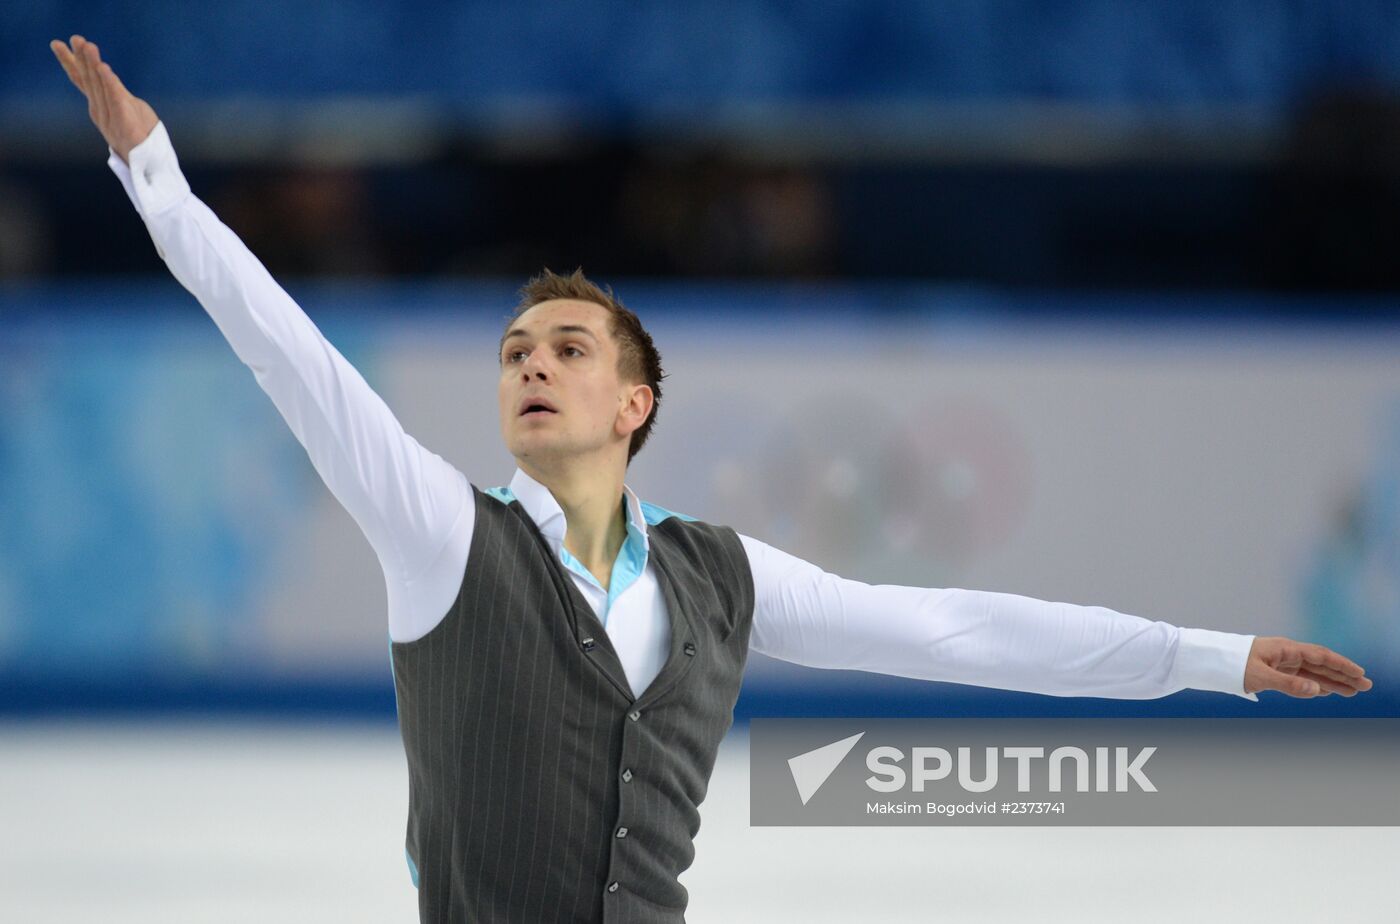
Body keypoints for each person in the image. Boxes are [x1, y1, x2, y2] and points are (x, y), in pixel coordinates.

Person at [51, 35, 1374, 924]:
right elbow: (282, 344)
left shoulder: (723, 578)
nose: (531, 363)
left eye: (568, 347)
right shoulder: (439, 535)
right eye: (515, 349)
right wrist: (151, 172)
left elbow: (959, 629)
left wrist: (1207, 655)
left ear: (634, 405)